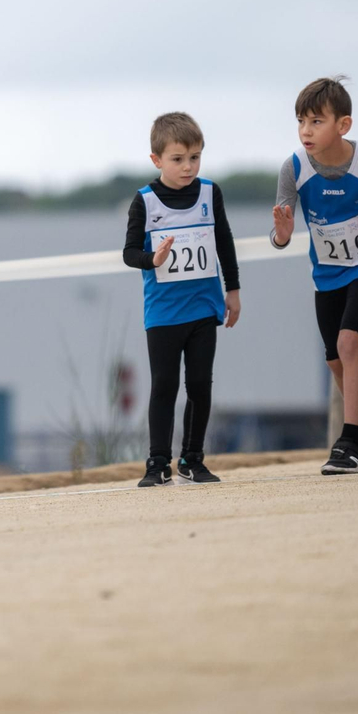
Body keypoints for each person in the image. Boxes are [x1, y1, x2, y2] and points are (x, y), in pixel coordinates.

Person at [270, 77, 358, 475]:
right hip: (327, 270)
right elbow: (281, 228)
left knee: (350, 344)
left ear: (343, 125)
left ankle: (349, 443)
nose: (306, 131)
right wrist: (281, 236)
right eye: (301, 121)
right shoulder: (293, 168)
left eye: (316, 121)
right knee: (335, 361)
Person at [122, 112, 241, 487]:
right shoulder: (144, 201)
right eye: (178, 159)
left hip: (204, 307)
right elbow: (128, 253)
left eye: (195, 157)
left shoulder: (210, 193)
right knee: (164, 387)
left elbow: (224, 241)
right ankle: (158, 463)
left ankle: (193, 458)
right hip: (163, 312)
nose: (188, 166)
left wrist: (233, 290)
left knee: (200, 385)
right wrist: (151, 259)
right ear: (157, 160)